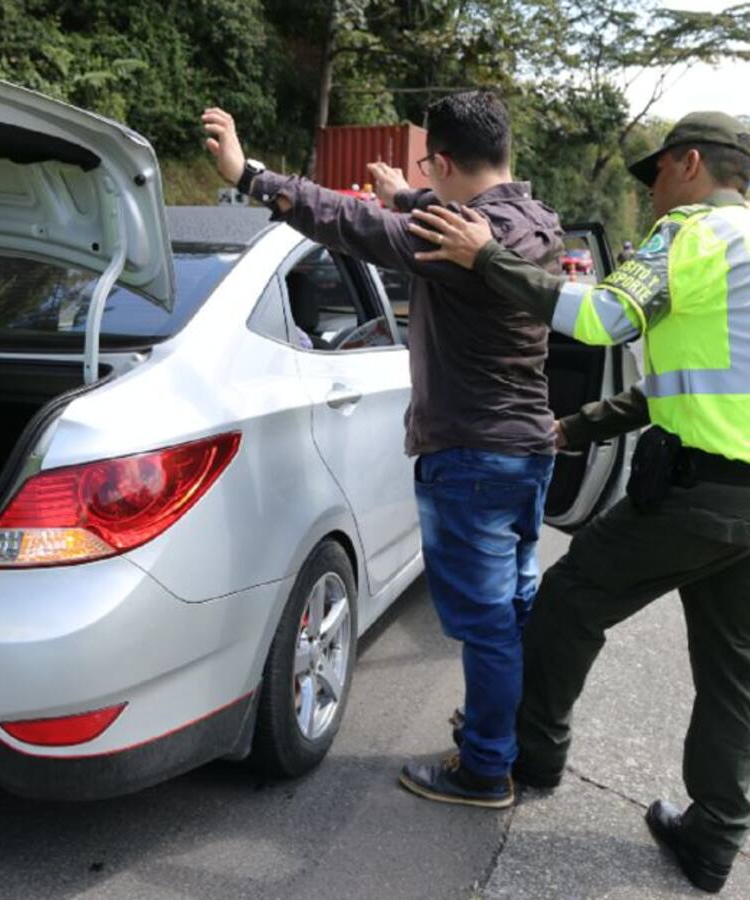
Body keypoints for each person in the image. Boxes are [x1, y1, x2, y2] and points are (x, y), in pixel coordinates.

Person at [406, 111, 750, 894]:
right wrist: (578, 425)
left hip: (694, 493)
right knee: (734, 675)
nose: (652, 193)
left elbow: (599, 319)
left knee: (565, 603)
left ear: (690, 163)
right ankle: (714, 838)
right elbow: (686, 382)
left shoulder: (692, 235)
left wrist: (486, 256)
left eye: (656, 173)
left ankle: (532, 755)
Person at [202, 92, 563, 809]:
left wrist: (250, 176)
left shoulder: (453, 239)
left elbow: (346, 221)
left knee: (487, 627)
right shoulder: (535, 220)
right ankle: (510, 736)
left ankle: (485, 769)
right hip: (529, 449)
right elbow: (424, 212)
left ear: (445, 163)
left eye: (431, 170)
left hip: (472, 454)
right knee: (514, 611)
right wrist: (408, 194)